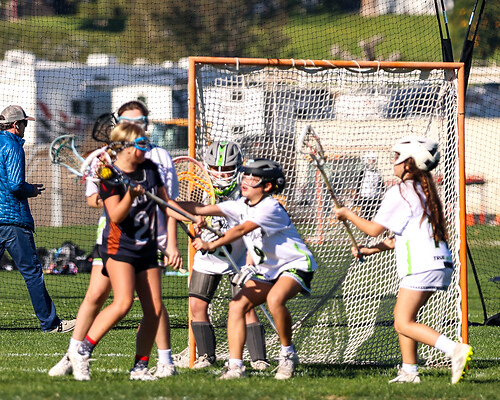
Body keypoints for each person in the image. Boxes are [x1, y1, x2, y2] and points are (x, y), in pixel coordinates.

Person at [49, 101, 181, 379]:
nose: (143, 142)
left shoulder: (152, 165)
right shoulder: (107, 169)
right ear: (126, 143)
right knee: (114, 300)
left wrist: (189, 222)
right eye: (137, 138)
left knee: (154, 308)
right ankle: (77, 351)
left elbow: (168, 203)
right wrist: (126, 196)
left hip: (148, 243)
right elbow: (113, 212)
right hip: (118, 243)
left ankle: (143, 366)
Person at [334, 137, 473, 384]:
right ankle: (409, 371)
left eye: (396, 157)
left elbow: (373, 229)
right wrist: (370, 251)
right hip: (439, 263)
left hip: (421, 264)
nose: (393, 162)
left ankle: (454, 349)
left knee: (402, 322)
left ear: (408, 164)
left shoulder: (400, 191)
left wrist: (347, 213)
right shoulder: (423, 191)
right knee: (404, 317)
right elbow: (396, 238)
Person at [187, 158, 318, 380]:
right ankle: (235, 366)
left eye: (253, 178)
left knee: (275, 299)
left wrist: (210, 244)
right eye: (245, 176)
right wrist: (165, 201)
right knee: (236, 306)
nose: (245, 181)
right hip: (268, 270)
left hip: (295, 264)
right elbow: (199, 208)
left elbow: (241, 230)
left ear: (268, 186)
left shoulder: (270, 207)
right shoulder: (241, 205)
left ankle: (287, 354)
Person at [182, 141, 269, 370]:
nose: (220, 174)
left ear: (238, 167)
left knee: (246, 306)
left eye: (227, 169)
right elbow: (191, 215)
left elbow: (252, 228)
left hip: (239, 257)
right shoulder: (200, 188)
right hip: (209, 259)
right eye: (215, 168)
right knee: (196, 305)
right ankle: (206, 356)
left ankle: (258, 358)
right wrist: (198, 230)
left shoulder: (245, 192)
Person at [0, 105, 75, 333]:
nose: (25, 127)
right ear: (16, 125)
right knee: (32, 273)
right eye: (24, 123)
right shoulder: (13, 145)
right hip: (12, 220)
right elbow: (15, 185)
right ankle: (50, 324)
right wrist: (30, 189)